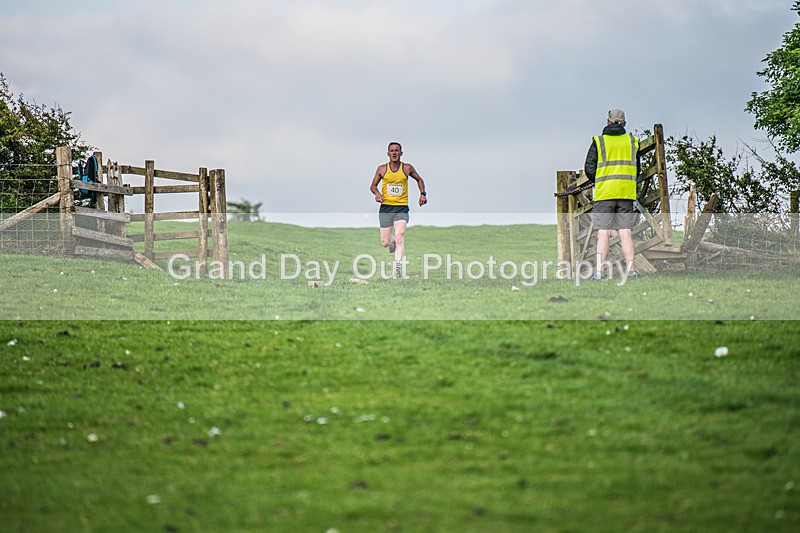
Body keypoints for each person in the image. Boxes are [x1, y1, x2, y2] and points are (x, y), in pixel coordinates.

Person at [584, 109, 640, 279]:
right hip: (626, 192)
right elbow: (637, 168)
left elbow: (589, 168)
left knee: (603, 232)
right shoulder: (632, 141)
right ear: (624, 123)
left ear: (607, 122)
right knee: (626, 232)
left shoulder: (599, 141)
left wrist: (601, 180)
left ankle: (600, 272)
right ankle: (631, 271)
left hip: (605, 193)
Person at [369, 142, 427, 278]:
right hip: (386, 208)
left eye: (397, 151)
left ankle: (397, 268)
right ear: (388, 153)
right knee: (385, 242)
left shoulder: (407, 168)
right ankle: (392, 241)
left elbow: (419, 179)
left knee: (400, 236)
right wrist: (377, 194)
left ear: (401, 153)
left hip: (401, 208)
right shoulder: (382, 169)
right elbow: (372, 186)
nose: (394, 153)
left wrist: (423, 194)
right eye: (392, 151)